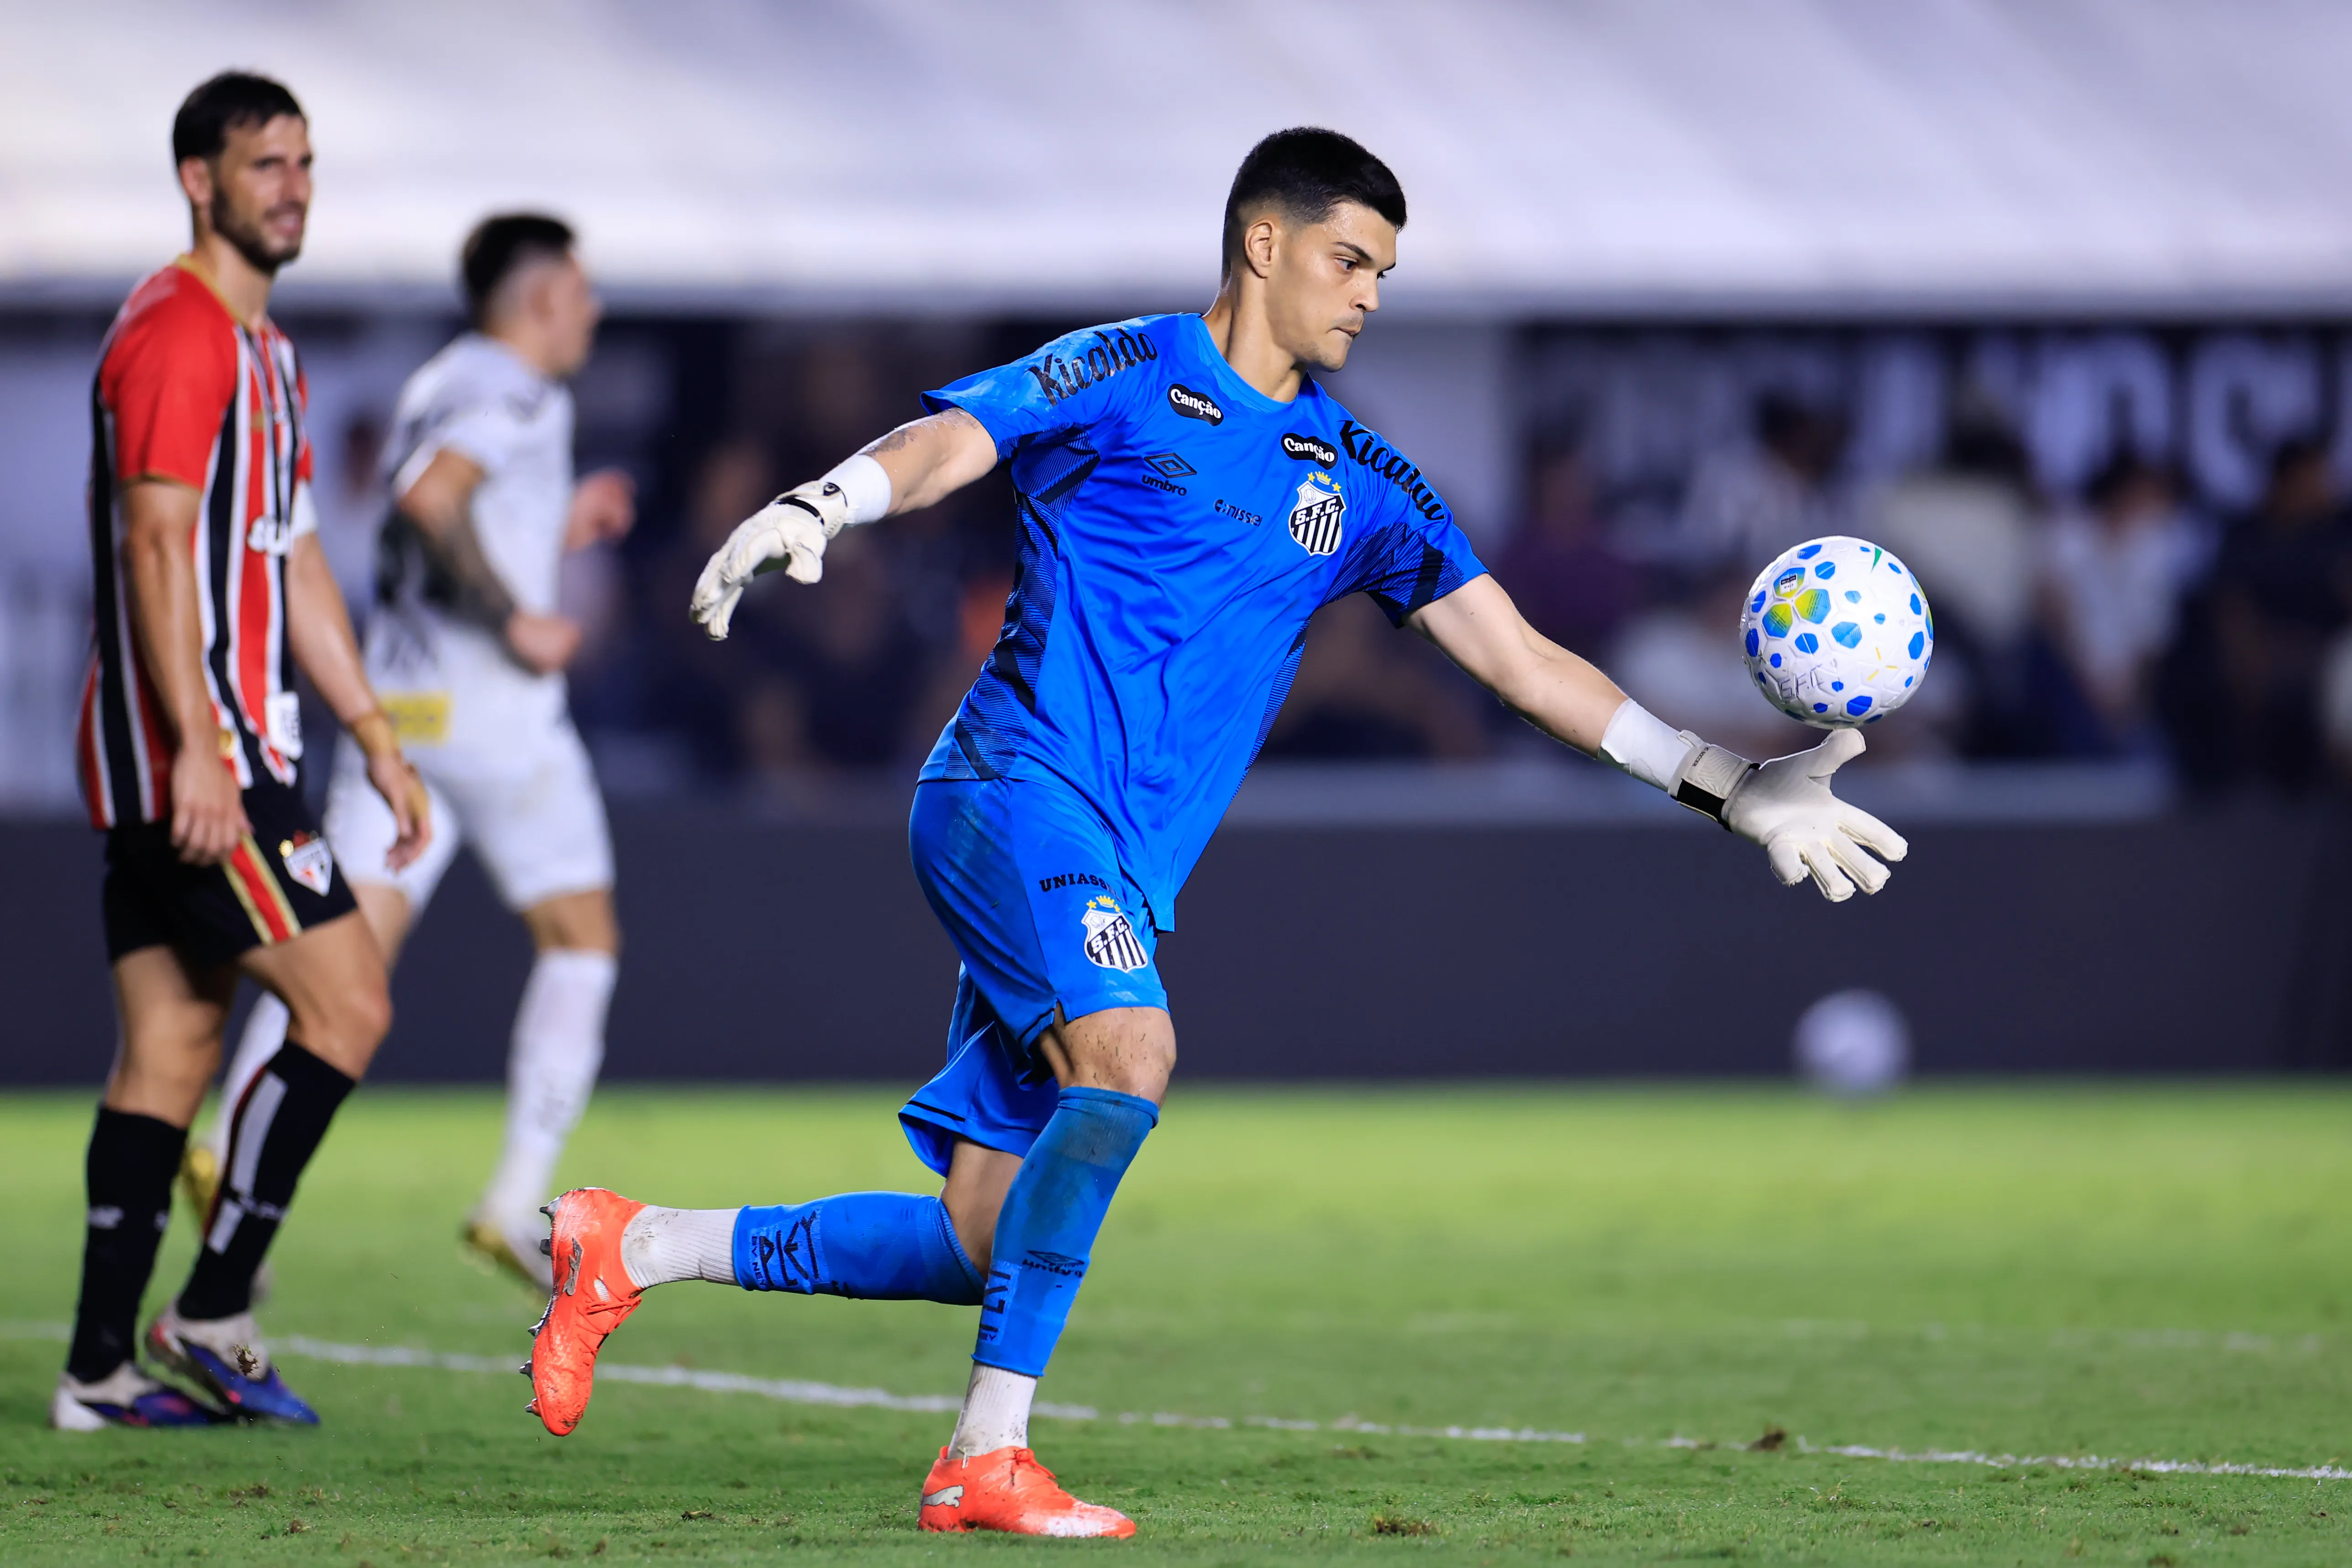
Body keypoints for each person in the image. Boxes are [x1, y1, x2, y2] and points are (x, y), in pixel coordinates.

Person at [521, 129, 1907, 1536]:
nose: (1368, 294)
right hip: (1010, 787)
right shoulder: (1126, 369)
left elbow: (1523, 663)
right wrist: (828, 501)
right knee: (1131, 1054)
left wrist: (1729, 784)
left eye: (1383, 270)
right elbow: (952, 439)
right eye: (1346, 258)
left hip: (1116, 858)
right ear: (1262, 242)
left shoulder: (1363, 480)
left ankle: (630, 1244)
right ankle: (982, 1457)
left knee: (981, 1238)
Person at [56, 72, 430, 1430]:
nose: (293, 188)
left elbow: (297, 559)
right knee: (349, 1007)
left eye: (306, 163)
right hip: (202, 760)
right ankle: (214, 1305)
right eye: (265, 165)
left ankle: (97, 1371)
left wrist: (378, 735)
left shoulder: (267, 353)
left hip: (218, 750)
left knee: (170, 1045)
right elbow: (158, 545)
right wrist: (204, 748)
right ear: (198, 182)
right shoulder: (179, 334)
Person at [188, 216, 634, 1290]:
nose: (593, 310)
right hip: (496, 722)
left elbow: (430, 509)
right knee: (582, 941)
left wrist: (552, 526)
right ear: (538, 299)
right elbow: (431, 501)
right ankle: (514, 1200)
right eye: (579, 290)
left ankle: (221, 1149)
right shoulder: (523, 392)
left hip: (402, 718)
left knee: (338, 961)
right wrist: (518, 618)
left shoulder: (440, 378)